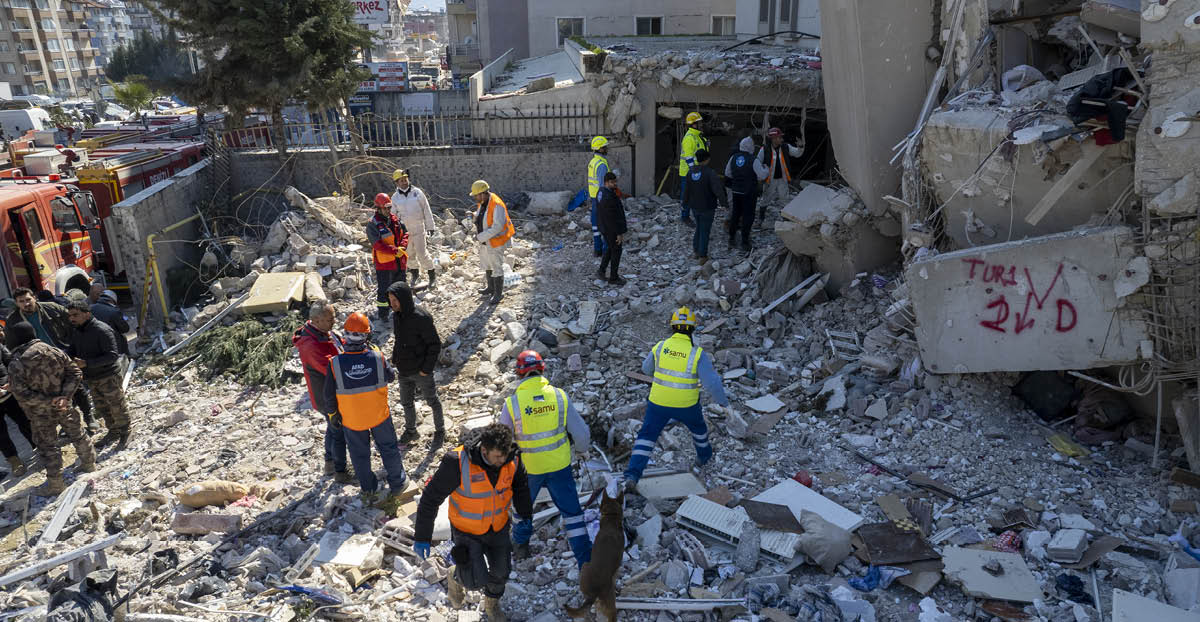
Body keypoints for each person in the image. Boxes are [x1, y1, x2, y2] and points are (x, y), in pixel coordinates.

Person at [413, 424, 533, 622]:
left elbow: (521, 487)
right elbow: (430, 499)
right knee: (475, 582)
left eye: (505, 456)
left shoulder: (512, 458)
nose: (502, 461)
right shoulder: (457, 462)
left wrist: (525, 516)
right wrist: (422, 536)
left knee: (502, 572)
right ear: (484, 450)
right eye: (497, 457)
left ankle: (492, 605)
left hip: (498, 527)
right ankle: (455, 575)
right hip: (466, 531)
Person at [501, 350, 593, 568]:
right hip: (559, 466)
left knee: (522, 511)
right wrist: (581, 450)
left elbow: (503, 441)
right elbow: (581, 434)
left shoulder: (512, 404)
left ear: (519, 373)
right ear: (542, 369)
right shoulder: (559, 396)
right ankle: (585, 561)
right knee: (572, 514)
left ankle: (521, 548)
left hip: (528, 470)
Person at [623, 307, 729, 490]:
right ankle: (703, 456)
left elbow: (646, 370)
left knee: (646, 436)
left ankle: (632, 475)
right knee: (698, 429)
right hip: (686, 405)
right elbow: (712, 383)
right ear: (692, 330)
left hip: (658, 404)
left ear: (672, 328)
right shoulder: (697, 354)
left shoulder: (661, 347)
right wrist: (724, 404)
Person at [321, 312, 409, 499]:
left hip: (352, 419)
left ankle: (369, 489)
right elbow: (391, 376)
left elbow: (328, 396)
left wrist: (333, 415)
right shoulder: (377, 357)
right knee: (388, 448)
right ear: (366, 335)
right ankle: (398, 482)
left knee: (359, 455)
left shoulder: (335, 363)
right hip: (379, 415)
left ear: (345, 335)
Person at [7, 321, 95, 495]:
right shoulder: (52, 350)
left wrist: (50, 402)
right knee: (78, 434)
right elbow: (75, 372)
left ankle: (56, 484)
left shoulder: (17, 363)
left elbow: (23, 394)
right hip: (65, 405)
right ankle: (89, 464)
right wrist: (65, 397)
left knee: (48, 447)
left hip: (40, 413)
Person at [7, 287, 97, 434]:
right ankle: (67, 424)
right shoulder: (13, 321)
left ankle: (89, 417)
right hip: (39, 365)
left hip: (62, 354)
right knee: (54, 394)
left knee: (77, 387)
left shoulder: (51, 309)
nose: (26, 304)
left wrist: (74, 344)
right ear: (17, 303)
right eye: (21, 302)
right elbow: (11, 347)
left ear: (34, 297)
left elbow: (73, 321)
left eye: (28, 299)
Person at [292, 301, 353, 484]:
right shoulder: (310, 344)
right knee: (337, 430)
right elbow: (331, 368)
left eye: (333, 316)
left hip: (331, 392)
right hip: (326, 396)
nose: (334, 321)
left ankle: (329, 462)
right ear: (317, 320)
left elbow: (338, 344)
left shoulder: (323, 333)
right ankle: (339, 469)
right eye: (329, 319)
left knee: (332, 426)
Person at [65, 299, 131, 450]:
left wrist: (87, 363)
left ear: (87, 314)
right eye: (70, 315)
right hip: (92, 378)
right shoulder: (78, 331)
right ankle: (113, 431)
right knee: (102, 407)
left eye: (75, 315)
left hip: (108, 376)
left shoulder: (102, 330)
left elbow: (112, 356)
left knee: (117, 406)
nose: (72, 318)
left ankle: (125, 432)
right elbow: (73, 348)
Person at [386, 281, 444, 444]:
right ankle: (411, 431)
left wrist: (426, 370)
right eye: (390, 300)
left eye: (395, 300)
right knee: (406, 403)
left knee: (432, 400)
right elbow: (399, 340)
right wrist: (395, 358)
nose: (392, 304)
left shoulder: (421, 317)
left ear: (404, 299)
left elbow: (435, 345)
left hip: (420, 370)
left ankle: (440, 430)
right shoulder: (397, 316)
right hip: (404, 370)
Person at [390, 169, 439, 289]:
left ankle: (432, 276)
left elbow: (426, 209)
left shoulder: (417, 193)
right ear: (397, 183)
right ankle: (415, 274)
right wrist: (394, 231)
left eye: (405, 180)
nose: (404, 182)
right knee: (409, 255)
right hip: (405, 232)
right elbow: (393, 215)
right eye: (401, 181)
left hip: (419, 229)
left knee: (422, 253)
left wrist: (430, 226)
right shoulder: (395, 198)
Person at [470, 180, 515, 305]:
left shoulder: (497, 204)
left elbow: (497, 227)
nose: (475, 197)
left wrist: (480, 237)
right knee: (487, 264)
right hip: (486, 240)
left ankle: (498, 294)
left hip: (496, 241)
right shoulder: (484, 201)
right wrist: (474, 216)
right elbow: (482, 216)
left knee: (496, 266)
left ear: (483, 193)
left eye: (476, 195)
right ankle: (490, 288)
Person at [365, 193, 407, 324]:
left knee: (400, 287)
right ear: (378, 208)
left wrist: (403, 247)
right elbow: (378, 245)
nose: (388, 211)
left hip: (399, 262)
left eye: (389, 207)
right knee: (384, 291)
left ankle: (402, 311)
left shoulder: (395, 219)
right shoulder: (372, 224)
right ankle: (383, 314)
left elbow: (405, 233)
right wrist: (395, 251)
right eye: (385, 208)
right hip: (385, 265)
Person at [0, 323, 34, 479]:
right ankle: (14, 461)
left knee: (24, 420)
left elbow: (11, 363)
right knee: (1, 434)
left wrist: (11, 382)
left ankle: (38, 447)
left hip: (9, 394)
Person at [681, 149, 726, 263]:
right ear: (707, 159)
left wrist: (684, 204)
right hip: (708, 207)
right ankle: (702, 255)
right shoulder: (710, 173)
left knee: (699, 228)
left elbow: (686, 190)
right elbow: (718, 190)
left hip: (694, 206)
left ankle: (696, 250)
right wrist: (724, 203)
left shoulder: (690, 172)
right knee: (705, 230)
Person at [725, 136, 769, 253]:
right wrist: (766, 168)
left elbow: (727, 173)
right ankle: (745, 241)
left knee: (736, 214)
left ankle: (732, 237)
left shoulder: (733, 158)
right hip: (749, 192)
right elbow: (762, 175)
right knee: (748, 216)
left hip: (736, 191)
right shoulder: (753, 159)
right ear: (750, 147)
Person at [756, 127, 804, 226]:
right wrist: (761, 176)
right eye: (779, 137)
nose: (781, 139)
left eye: (781, 137)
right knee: (765, 199)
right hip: (770, 180)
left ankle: (786, 220)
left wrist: (800, 146)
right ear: (773, 139)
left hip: (782, 179)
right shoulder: (764, 149)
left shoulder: (786, 147)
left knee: (784, 199)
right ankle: (760, 219)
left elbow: (797, 154)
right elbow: (757, 163)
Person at [595, 171, 627, 286]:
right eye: (612, 182)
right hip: (611, 229)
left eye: (615, 182)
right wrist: (619, 233)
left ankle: (601, 270)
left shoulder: (601, 192)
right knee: (616, 251)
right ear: (607, 182)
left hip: (604, 227)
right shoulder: (609, 197)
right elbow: (613, 217)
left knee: (610, 248)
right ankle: (614, 277)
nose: (615, 184)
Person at [677, 112, 709, 226]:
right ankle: (685, 217)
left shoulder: (698, 136)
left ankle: (694, 214)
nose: (701, 124)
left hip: (696, 170)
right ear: (693, 124)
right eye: (699, 123)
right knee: (687, 195)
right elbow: (689, 156)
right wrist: (693, 171)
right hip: (689, 172)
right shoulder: (689, 138)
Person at [586, 136, 610, 258]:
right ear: (600, 149)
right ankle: (606, 250)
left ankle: (597, 249)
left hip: (594, 197)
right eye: (605, 147)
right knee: (605, 224)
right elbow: (602, 185)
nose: (607, 148)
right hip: (601, 198)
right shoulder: (601, 164)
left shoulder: (593, 162)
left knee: (595, 224)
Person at [90, 290, 129, 357]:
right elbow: (125, 329)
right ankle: (126, 358)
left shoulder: (89, 308)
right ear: (112, 301)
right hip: (110, 344)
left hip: (91, 342)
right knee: (122, 338)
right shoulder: (114, 311)